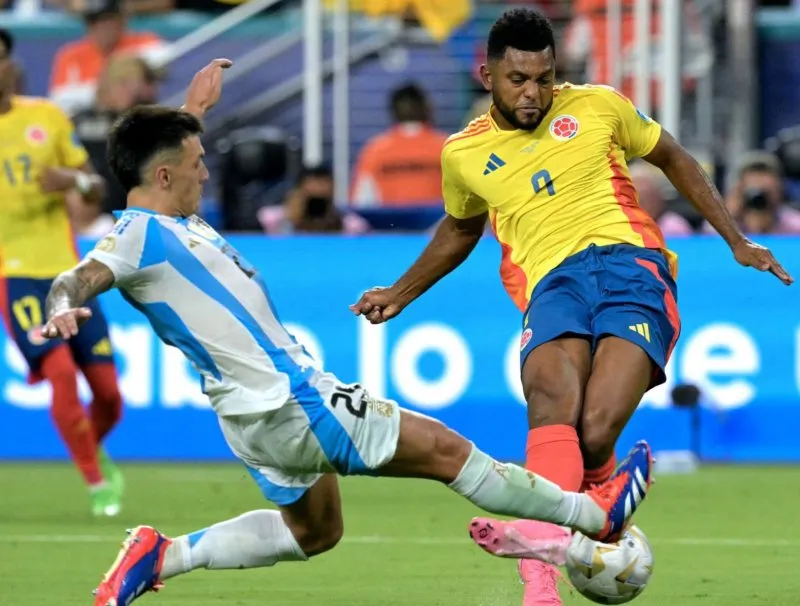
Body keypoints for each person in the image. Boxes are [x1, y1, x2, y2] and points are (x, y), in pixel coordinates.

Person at [40, 59, 654, 606]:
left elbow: (164, 156)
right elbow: (81, 275)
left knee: (316, 532)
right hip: (292, 402)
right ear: (167, 177)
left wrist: (193, 110)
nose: (206, 175)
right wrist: (64, 304)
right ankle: (593, 515)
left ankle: (163, 556)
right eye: (197, 165)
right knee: (447, 452)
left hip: (251, 419)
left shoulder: (171, 212)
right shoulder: (136, 236)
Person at [349, 9, 793, 606]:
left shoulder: (599, 105)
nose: (533, 93)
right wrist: (398, 294)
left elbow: (675, 158)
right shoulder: (462, 155)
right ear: (487, 75)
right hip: (552, 285)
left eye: (544, 78)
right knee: (550, 401)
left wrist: (736, 239)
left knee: (594, 428)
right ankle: (542, 576)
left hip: (631, 267)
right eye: (518, 80)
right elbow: (460, 231)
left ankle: (602, 494)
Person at [0, 28, 126, 517]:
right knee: (61, 377)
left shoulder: (46, 117)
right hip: (13, 274)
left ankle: (87, 452)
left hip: (68, 275)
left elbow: (95, 188)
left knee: (111, 396)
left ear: (11, 64)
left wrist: (71, 179)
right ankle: (98, 485)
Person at [48, 0, 167, 115]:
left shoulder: (145, 43)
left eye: (108, 19)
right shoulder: (71, 55)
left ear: (122, 19)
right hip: (92, 123)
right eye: (95, 21)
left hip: (138, 118)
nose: (102, 27)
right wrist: (105, 87)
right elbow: (60, 99)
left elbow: (165, 64)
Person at [350, 83, 449, 208]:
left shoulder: (375, 149)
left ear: (393, 111)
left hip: (391, 225)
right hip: (438, 225)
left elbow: (361, 202)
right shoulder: (447, 146)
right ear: (426, 108)